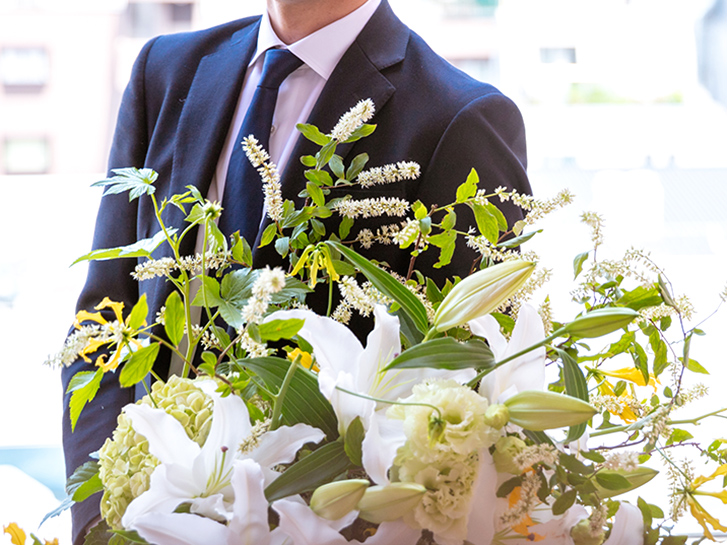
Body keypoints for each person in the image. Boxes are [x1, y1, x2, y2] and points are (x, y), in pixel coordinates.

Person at [61, 0, 532, 542]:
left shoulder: (461, 118)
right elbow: (102, 322)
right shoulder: (165, 70)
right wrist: (102, 522)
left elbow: (466, 392)